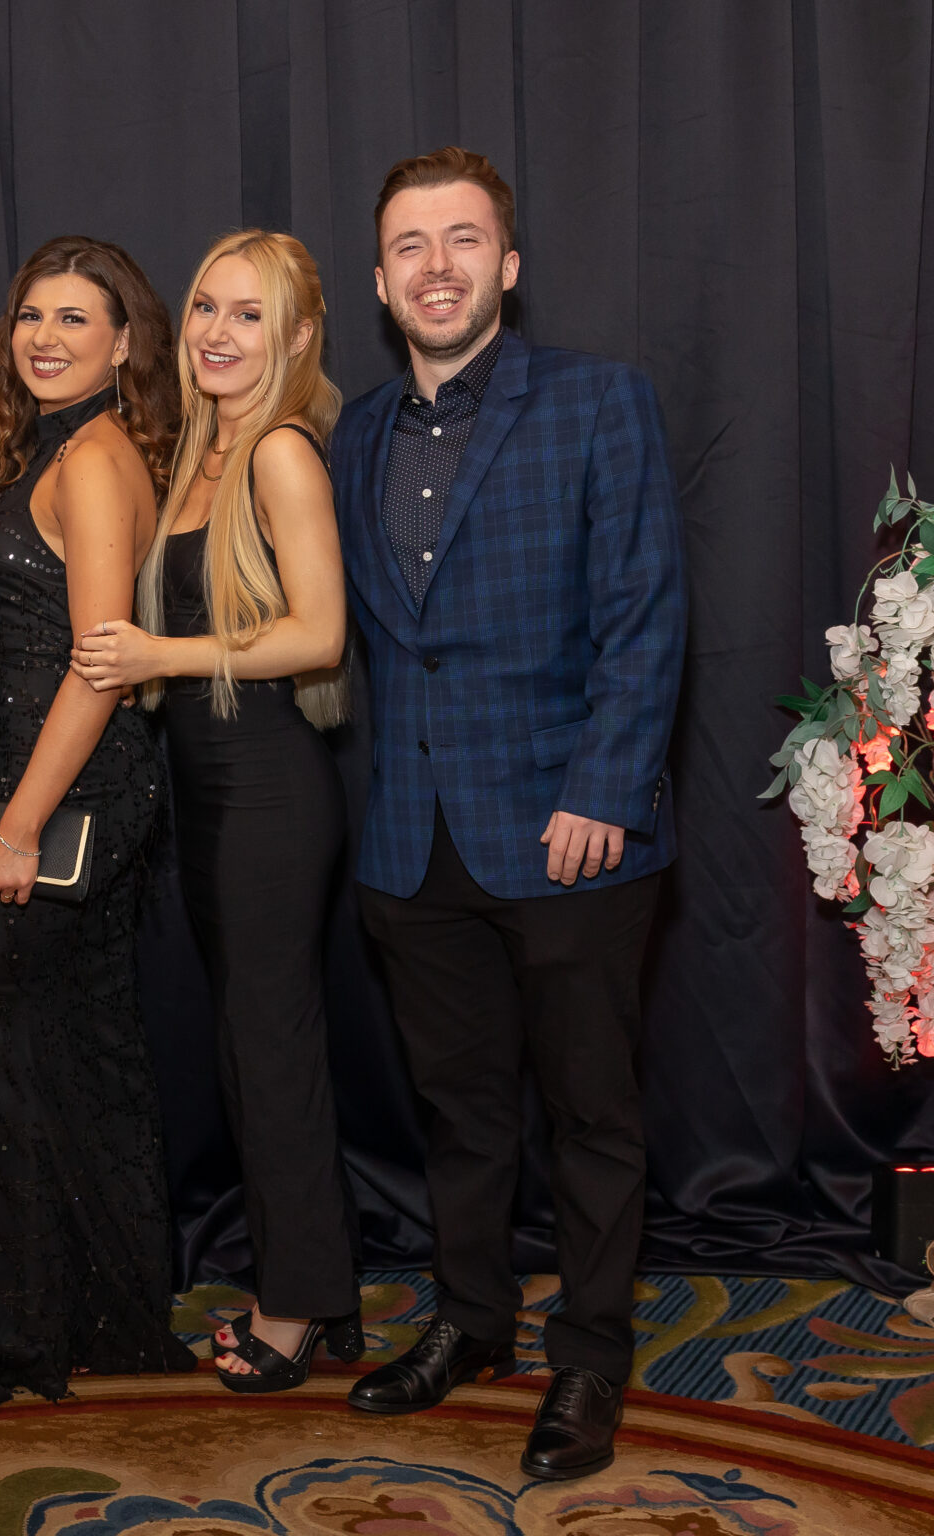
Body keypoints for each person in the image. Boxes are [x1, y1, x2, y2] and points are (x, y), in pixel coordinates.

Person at [333, 148, 685, 1480]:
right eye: (410, 246)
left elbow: (646, 612)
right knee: (461, 1113)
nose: (438, 267)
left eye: (464, 239)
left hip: (570, 833)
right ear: (381, 283)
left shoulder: (601, 401)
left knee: (592, 1114)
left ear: (509, 265)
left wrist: (605, 787)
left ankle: (590, 1358)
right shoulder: (355, 434)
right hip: (412, 841)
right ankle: (471, 1320)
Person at [0, 236, 197, 1409]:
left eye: (76, 320)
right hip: (51, 787)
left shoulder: (98, 457)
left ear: (124, 345)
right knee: (65, 1052)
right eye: (31, 317)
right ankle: (83, 1313)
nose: (46, 338)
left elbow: (98, 665)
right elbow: (52, 609)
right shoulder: (56, 449)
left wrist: (17, 831)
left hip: (75, 798)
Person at [70, 229, 363, 1392]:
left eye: (249, 315)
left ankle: (296, 1307)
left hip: (271, 790)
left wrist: (162, 653)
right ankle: (315, 1283)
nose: (218, 333)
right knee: (251, 1049)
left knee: (270, 1049)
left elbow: (319, 636)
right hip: (209, 790)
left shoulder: (279, 450)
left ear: (297, 337)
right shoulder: (201, 450)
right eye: (206, 308)